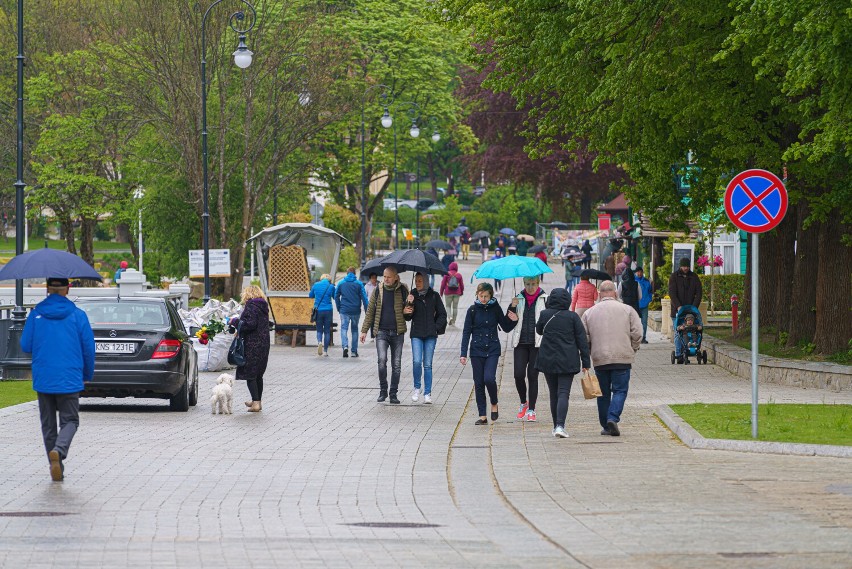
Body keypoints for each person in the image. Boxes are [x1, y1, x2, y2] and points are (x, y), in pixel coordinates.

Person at [21, 277, 95, 481]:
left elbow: (25, 345)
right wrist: (87, 374)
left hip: (44, 376)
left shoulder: (36, 314)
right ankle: (60, 450)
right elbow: (89, 349)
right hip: (69, 376)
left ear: (47, 289)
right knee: (70, 420)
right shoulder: (78, 316)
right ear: (67, 290)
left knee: (48, 424)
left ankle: (56, 464)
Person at [581, 281, 643, 436]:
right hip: (622, 357)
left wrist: (590, 353)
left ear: (599, 294)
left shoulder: (589, 313)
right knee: (620, 390)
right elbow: (637, 333)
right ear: (615, 293)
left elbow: (584, 338)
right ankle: (613, 417)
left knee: (602, 393)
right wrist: (633, 348)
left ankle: (606, 425)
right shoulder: (628, 310)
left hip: (600, 358)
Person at [535, 288, 591, 438]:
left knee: (553, 393)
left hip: (548, 360)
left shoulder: (544, 314)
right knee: (563, 393)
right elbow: (582, 341)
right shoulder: (573, 317)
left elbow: (539, 331)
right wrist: (586, 362)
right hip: (568, 360)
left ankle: (556, 426)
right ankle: (560, 425)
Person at [459, 283, 518, 424]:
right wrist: (463, 353)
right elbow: (466, 332)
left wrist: (513, 312)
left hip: (492, 349)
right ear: (477, 295)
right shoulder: (472, 310)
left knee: (489, 378)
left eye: (486, 296)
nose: (484, 299)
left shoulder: (495, 309)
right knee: (478, 383)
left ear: (491, 296)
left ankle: (494, 402)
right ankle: (482, 416)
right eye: (481, 296)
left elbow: (505, 327)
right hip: (476, 350)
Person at [360, 267, 409, 404]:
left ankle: (393, 393)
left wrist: (409, 304)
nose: (385, 279)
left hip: (397, 332)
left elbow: (409, 315)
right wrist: (364, 330)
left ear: (395, 277)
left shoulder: (403, 290)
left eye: (388, 277)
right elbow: (370, 311)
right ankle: (383, 391)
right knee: (382, 361)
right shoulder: (378, 290)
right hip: (381, 331)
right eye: (384, 276)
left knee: (397, 364)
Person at [404, 273, 447, 404]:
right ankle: (417, 388)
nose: (417, 283)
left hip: (430, 334)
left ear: (426, 282)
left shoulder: (434, 296)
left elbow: (442, 314)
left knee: (427, 364)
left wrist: (436, 327)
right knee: (417, 361)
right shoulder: (412, 295)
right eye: (416, 281)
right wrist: (408, 305)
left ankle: (427, 393)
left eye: (420, 281)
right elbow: (407, 317)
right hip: (416, 333)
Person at [509, 276, 546, 423]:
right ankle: (524, 402)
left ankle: (532, 409)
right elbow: (509, 321)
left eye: (533, 284)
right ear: (523, 284)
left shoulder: (545, 299)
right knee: (518, 374)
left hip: (537, 343)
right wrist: (512, 307)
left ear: (538, 284)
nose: (530, 287)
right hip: (520, 342)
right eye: (528, 284)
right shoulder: (518, 298)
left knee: (532, 376)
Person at [233, 285, 271, 412]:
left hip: (252, 344)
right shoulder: (263, 306)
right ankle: (257, 401)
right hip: (264, 343)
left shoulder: (250, 306)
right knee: (258, 374)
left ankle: (256, 403)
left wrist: (234, 322)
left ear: (248, 294)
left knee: (251, 374)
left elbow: (250, 324)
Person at [668, 257, 703, 359]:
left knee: (692, 332)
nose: (686, 268)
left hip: (691, 311)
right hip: (677, 311)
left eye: (687, 266)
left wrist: (694, 307)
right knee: (678, 333)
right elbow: (672, 293)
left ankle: (688, 350)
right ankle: (679, 354)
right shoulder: (674, 277)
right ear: (680, 266)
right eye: (684, 266)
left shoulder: (694, 277)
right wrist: (678, 306)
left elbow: (699, 293)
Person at [335, 266, 369, 358]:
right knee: (354, 330)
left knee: (344, 329)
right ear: (355, 274)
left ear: (347, 273)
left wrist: (339, 307)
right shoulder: (359, 284)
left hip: (344, 310)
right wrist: (367, 311)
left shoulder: (341, 283)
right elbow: (365, 298)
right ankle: (354, 351)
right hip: (355, 310)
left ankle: (345, 346)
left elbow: (336, 296)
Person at [309, 274, 335, 357]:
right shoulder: (331, 286)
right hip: (328, 310)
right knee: (327, 331)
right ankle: (325, 351)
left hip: (318, 310)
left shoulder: (316, 285)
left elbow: (310, 295)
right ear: (329, 280)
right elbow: (335, 296)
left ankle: (319, 342)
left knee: (319, 330)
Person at [439, 261, 464, 326]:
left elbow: (443, 284)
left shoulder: (446, 274)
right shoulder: (459, 275)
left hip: (448, 293)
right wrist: (461, 292)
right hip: (457, 293)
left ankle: (449, 317)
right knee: (455, 307)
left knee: (448, 306)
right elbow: (461, 285)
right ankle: (453, 321)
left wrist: (441, 292)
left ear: (450, 267)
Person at [635, 267, 653, 343]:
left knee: (644, 322)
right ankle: (636, 338)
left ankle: (643, 337)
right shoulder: (633, 281)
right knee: (635, 323)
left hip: (645, 305)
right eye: (638, 272)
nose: (639, 273)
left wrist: (649, 299)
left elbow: (650, 291)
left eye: (640, 272)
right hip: (636, 305)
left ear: (642, 272)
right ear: (636, 273)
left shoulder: (646, 281)